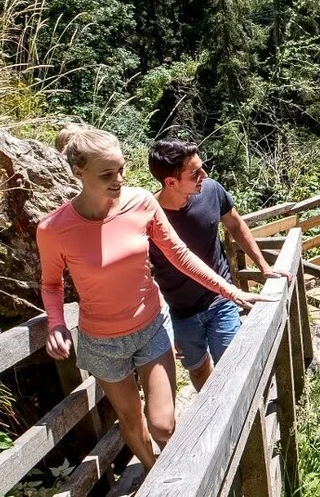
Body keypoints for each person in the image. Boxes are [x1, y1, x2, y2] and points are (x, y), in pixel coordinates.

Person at [38, 124, 274, 469]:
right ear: (78, 172)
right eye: (107, 174)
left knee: (163, 424)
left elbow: (181, 254)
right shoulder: (54, 229)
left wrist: (231, 290)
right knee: (131, 421)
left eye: (121, 170)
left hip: (150, 326)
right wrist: (56, 324)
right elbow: (52, 284)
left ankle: (170, 469)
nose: (118, 180)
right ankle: (154, 475)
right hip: (101, 340)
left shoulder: (141, 203)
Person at [147, 139, 288, 390]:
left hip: (220, 299)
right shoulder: (149, 215)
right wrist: (165, 322)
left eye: (202, 167)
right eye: (195, 173)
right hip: (180, 310)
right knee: (199, 370)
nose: (205, 175)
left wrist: (264, 266)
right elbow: (142, 272)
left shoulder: (211, 191)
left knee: (233, 365)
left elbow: (235, 224)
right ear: (171, 182)